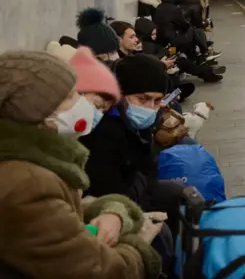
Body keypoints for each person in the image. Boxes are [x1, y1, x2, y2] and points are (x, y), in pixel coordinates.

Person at [0, 51, 162, 279]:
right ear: (35, 110)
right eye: (69, 96)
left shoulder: (38, 161)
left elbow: (68, 208)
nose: (80, 103)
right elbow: (97, 271)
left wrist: (115, 212)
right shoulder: (28, 182)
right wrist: (138, 247)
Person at [79, 54, 185, 240]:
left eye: (157, 100)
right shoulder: (102, 131)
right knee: (162, 232)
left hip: (134, 192)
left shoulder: (138, 124)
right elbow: (109, 193)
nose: (150, 108)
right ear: (122, 95)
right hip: (107, 208)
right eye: (142, 99)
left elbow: (149, 171)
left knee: (176, 193)